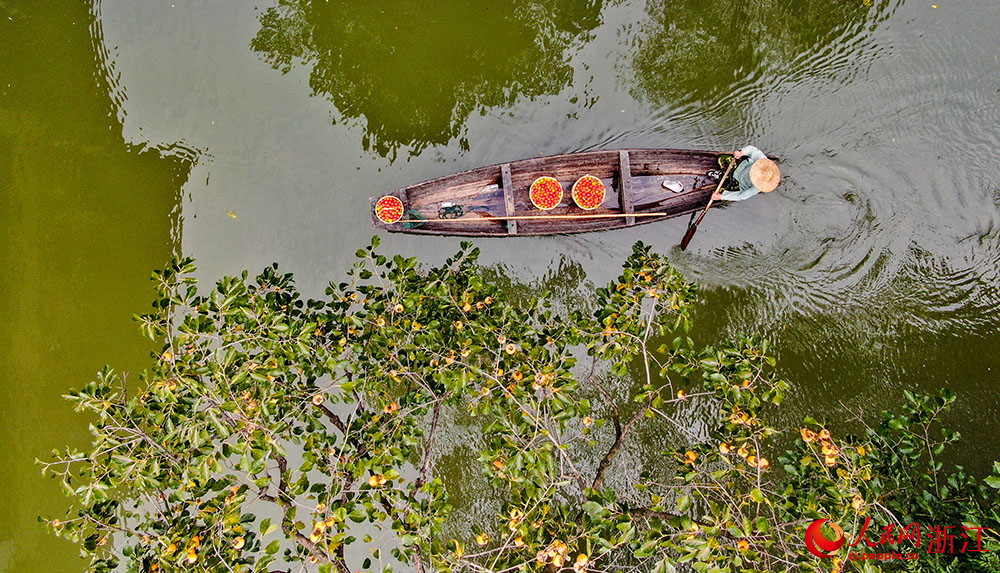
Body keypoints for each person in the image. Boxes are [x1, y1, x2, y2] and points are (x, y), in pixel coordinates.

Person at [708, 145, 780, 201]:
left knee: (722, 185)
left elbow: (741, 196)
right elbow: (752, 150)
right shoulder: (762, 161)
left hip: (738, 182)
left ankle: (720, 176)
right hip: (741, 166)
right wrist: (741, 152)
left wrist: (721, 197)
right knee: (722, 158)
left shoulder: (756, 188)